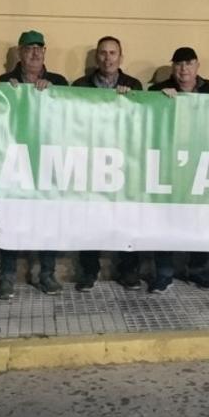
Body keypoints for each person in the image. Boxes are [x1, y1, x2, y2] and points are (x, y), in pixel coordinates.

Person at [72, 37, 145, 291]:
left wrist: (128, 99)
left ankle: (129, 271)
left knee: (126, 217)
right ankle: (89, 271)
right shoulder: (80, 85)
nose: (108, 58)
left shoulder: (134, 85)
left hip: (124, 163)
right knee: (89, 218)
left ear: (120, 57)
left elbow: (141, 120)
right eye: (103, 53)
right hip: (90, 162)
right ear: (97, 57)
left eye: (113, 53)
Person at [0, 30, 68, 295]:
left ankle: (47, 274)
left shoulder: (59, 81)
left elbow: (70, 114)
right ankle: (7, 276)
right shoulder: (6, 81)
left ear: (45, 52)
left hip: (48, 161)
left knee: (47, 219)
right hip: (16, 162)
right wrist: (0, 90)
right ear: (20, 53)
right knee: (11, 218)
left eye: (39, 48)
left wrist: (54, 93)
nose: (35, 53)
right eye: (29, 48)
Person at [148, 46, 209, 291]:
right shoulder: (159, 91)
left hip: (201, 166)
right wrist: (159, 100)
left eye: (188, 63)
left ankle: (198, 271)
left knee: (201, 220)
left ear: (197, 66)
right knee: (164, 220)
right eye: (178, 64)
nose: (183, 69)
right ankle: (163, 274)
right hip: (169, 167)